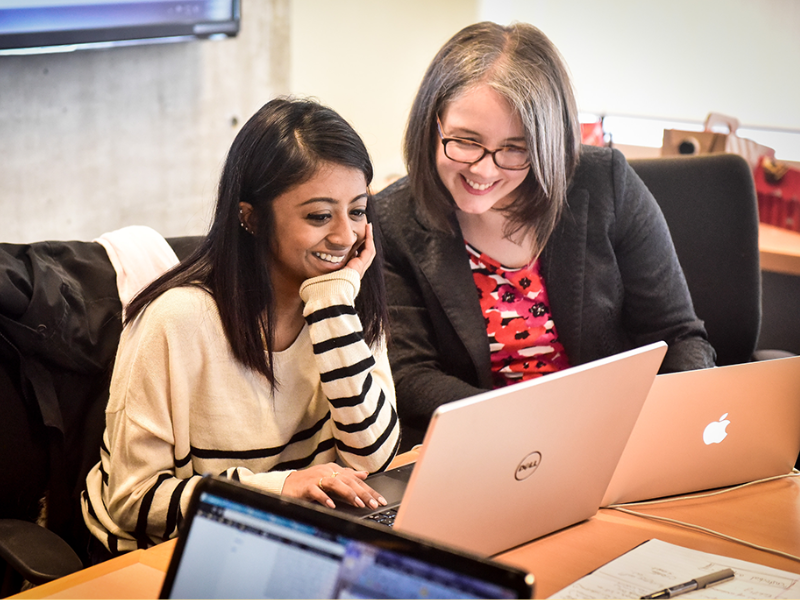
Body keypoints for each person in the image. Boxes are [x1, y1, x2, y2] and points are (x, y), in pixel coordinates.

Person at [375, 22, 716, 449]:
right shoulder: (391, 220)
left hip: (616, 437)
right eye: (464, 141)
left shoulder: (605, 182)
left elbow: (678, 336)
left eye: (515, 148)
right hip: (486, 446)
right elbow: (410, 376)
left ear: (547, 144)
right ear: (432, 125)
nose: (484, 169)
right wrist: (534, 430)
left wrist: (675, 424)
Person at [82, 98, 400, 556]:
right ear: (250, 216)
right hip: (170, 553)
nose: (346, 236)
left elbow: (373, 459)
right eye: (318, 216)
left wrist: (332, 306)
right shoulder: (179, 320)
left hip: (294, 538)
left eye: (357, 211)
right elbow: (133, 501)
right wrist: (281, 488)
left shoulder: (343, 297)